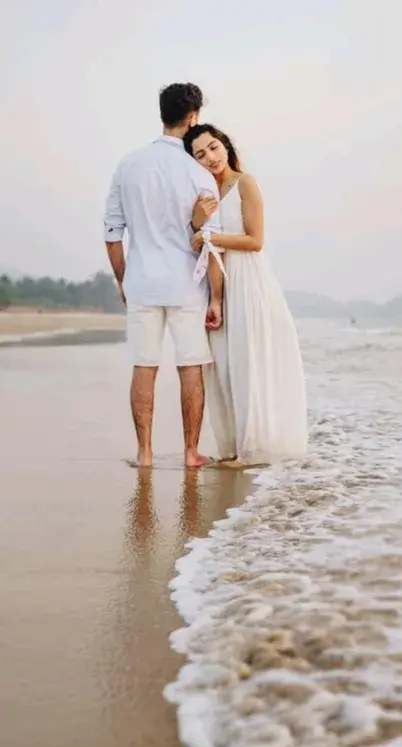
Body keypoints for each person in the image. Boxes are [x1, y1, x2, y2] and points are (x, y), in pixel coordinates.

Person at [104, 83, 222, 468]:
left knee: (144, 366)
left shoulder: (128, 164)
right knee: (190, 366)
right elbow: (210, 242)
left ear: (162, 114)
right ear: (192, 118)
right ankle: (190, 452)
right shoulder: (198, 172)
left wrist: (123, 280)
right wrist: (216, 297)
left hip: (141, 281)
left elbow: (112, 232)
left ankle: (145, 452)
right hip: (187, 283)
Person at [183, 123, 308, 467]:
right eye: (200, 154)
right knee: (225, 364)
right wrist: (215, 299)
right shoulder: (207, 196)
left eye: (213, 148)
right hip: (222, 283)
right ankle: (236, 445)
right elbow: (205, 246)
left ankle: (254, 448)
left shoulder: (244, 183)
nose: (210, 157)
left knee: (248, 359)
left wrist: (210, 238)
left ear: (225, 145)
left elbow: (255, 240)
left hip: (250, 280)